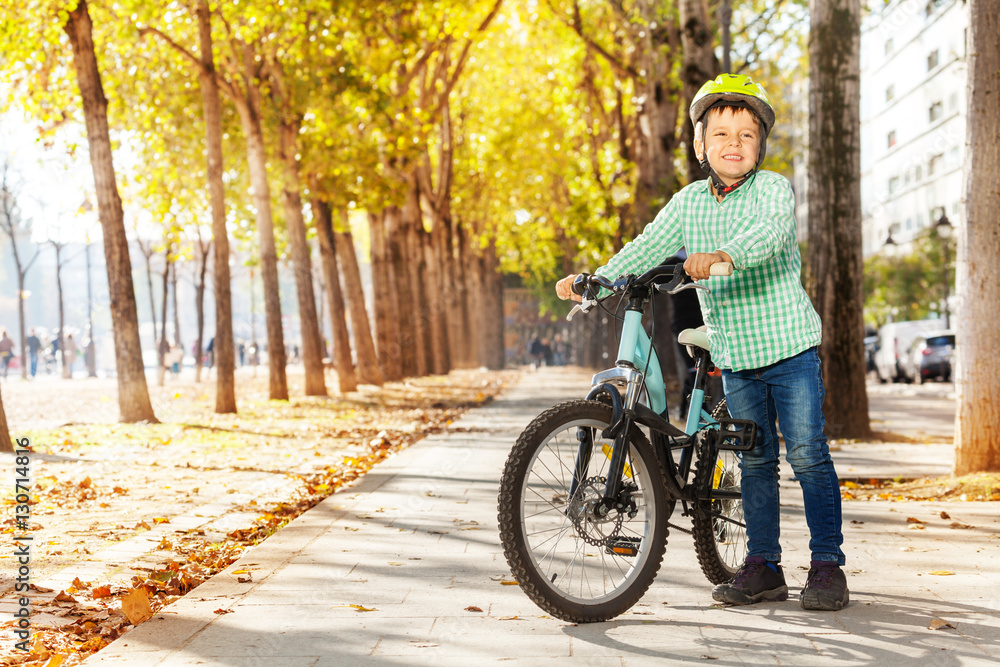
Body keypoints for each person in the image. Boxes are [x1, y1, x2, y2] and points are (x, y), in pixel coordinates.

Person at [555, 73, 847, 612]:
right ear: (699, 146)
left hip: (789, 347)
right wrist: (596, 278)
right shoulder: (689, 202)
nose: (733, 145)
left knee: (807, 454)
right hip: (735, 353)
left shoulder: (773, 190)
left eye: (746, 135)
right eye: (721, 135)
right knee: (755, 460)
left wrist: (722, 255)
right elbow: (646, 248)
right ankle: (763, 566)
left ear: (760, 146)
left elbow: (769, 232)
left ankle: (827, 566)